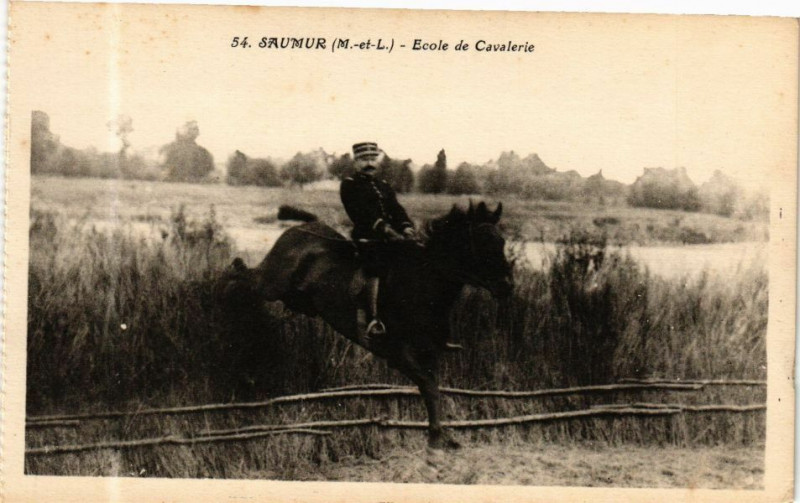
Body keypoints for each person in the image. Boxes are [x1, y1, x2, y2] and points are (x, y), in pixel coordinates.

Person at [340, 142, 417, 342]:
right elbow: (360, 212)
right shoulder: (349, 184)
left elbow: (396, 209)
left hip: (391, 238)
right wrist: (385, 229)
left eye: (373, 159)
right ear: (356, 161)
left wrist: (406, 227)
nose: (369, 163)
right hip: (368, 238)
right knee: (376, 265)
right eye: (364, 159)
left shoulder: (383, 185)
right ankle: (374, 319)